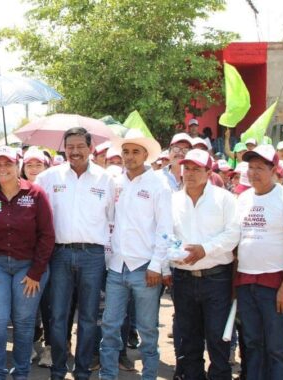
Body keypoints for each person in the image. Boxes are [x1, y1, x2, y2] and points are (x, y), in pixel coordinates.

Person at [35, 128, 115, 380]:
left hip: (92, 256)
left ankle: (82, 372)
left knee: (89, 319)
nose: (75, 151)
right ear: (64, 148)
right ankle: (58, 370)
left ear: (90, 148)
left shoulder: (106, 180)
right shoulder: (48, 178)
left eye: (81, 145)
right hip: (59, 255)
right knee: (58, 317)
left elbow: (113, 219)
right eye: (70, 146)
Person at [0, 146, 55, 380]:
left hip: (28, 268)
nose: (3, 168)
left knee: (23, 322)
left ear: (18, 165)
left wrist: (36, 272)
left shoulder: (36, 193)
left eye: (7, 163)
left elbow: (47, 235)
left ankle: (21, 373)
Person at [99, 129, 172, 380]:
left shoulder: (158, 185)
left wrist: (157, 265)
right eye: (126, 152)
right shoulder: (116, 182)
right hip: (117, 267)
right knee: (110, 327)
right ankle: (107, 375)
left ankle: (149, 375)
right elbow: (109, 221)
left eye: (135, 152)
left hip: (144, 268)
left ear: (146, 155)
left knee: (147, 330)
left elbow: (166, 229)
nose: (129, 157)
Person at [235, 145, 283, 380]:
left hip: (275, 285)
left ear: (274, 170)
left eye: (259, 168)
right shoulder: (243, 198)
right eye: (250, 167)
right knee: (253, 344)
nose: (253, 173)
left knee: (277, 348)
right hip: (246, 283)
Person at [170, 149, 239, 380]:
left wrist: (204, 249)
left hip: (216, 278)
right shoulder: (173, 200)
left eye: (196, 169)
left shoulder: (224, 199)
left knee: (218, 340)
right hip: (183, 278)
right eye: (186, 168)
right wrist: (171, 255)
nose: (189, 173)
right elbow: (166, 235)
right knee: (189, 340)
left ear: (209, 172)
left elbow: (233, 235)